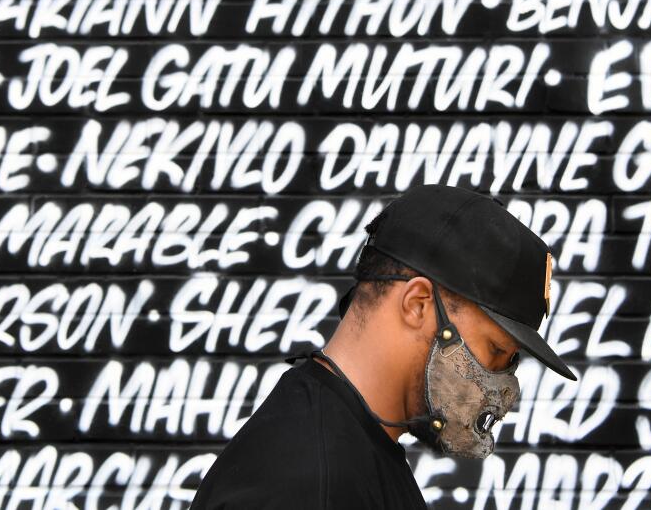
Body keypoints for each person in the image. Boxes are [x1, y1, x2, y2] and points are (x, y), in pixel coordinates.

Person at [188, 184, 578, 510]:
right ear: (418, 304)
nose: (503, 388)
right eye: (496, 350)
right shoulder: (305, 484)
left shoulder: (355, 443)